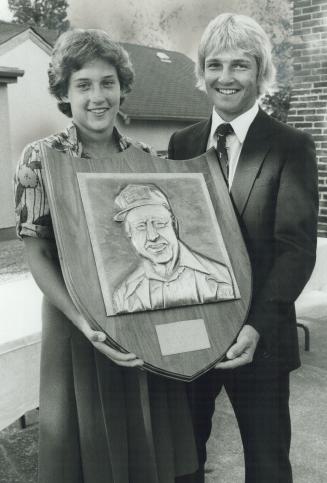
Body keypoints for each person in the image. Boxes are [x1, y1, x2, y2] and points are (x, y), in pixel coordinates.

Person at [14, 28, 199, 483]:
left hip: (141, 317)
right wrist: (84, 321)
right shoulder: (41, 158)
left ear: (122, 87)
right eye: (84, 85)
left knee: (146, 445)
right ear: (64, 92)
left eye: (108, 82)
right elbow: (36, 253)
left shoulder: (145, 157)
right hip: (75, 323)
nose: (98, 96)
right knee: (85, 454)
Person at [168, 13, 318, 483]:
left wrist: (255, 325)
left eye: (240, 66)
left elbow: (296, 248)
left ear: (261, 72)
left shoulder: (291, 146)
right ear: (202, 72)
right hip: (190, 336)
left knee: (268, 463)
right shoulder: (182, 143)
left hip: (261, 337)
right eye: (215, 65)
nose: (226, 78)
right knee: (181, 458)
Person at [113, 183, 235, 313]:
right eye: (141, 227)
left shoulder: (222, 279)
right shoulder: (123, 296)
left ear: (175, 226)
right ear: (130, 235)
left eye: (159, 223)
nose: (152, 236)